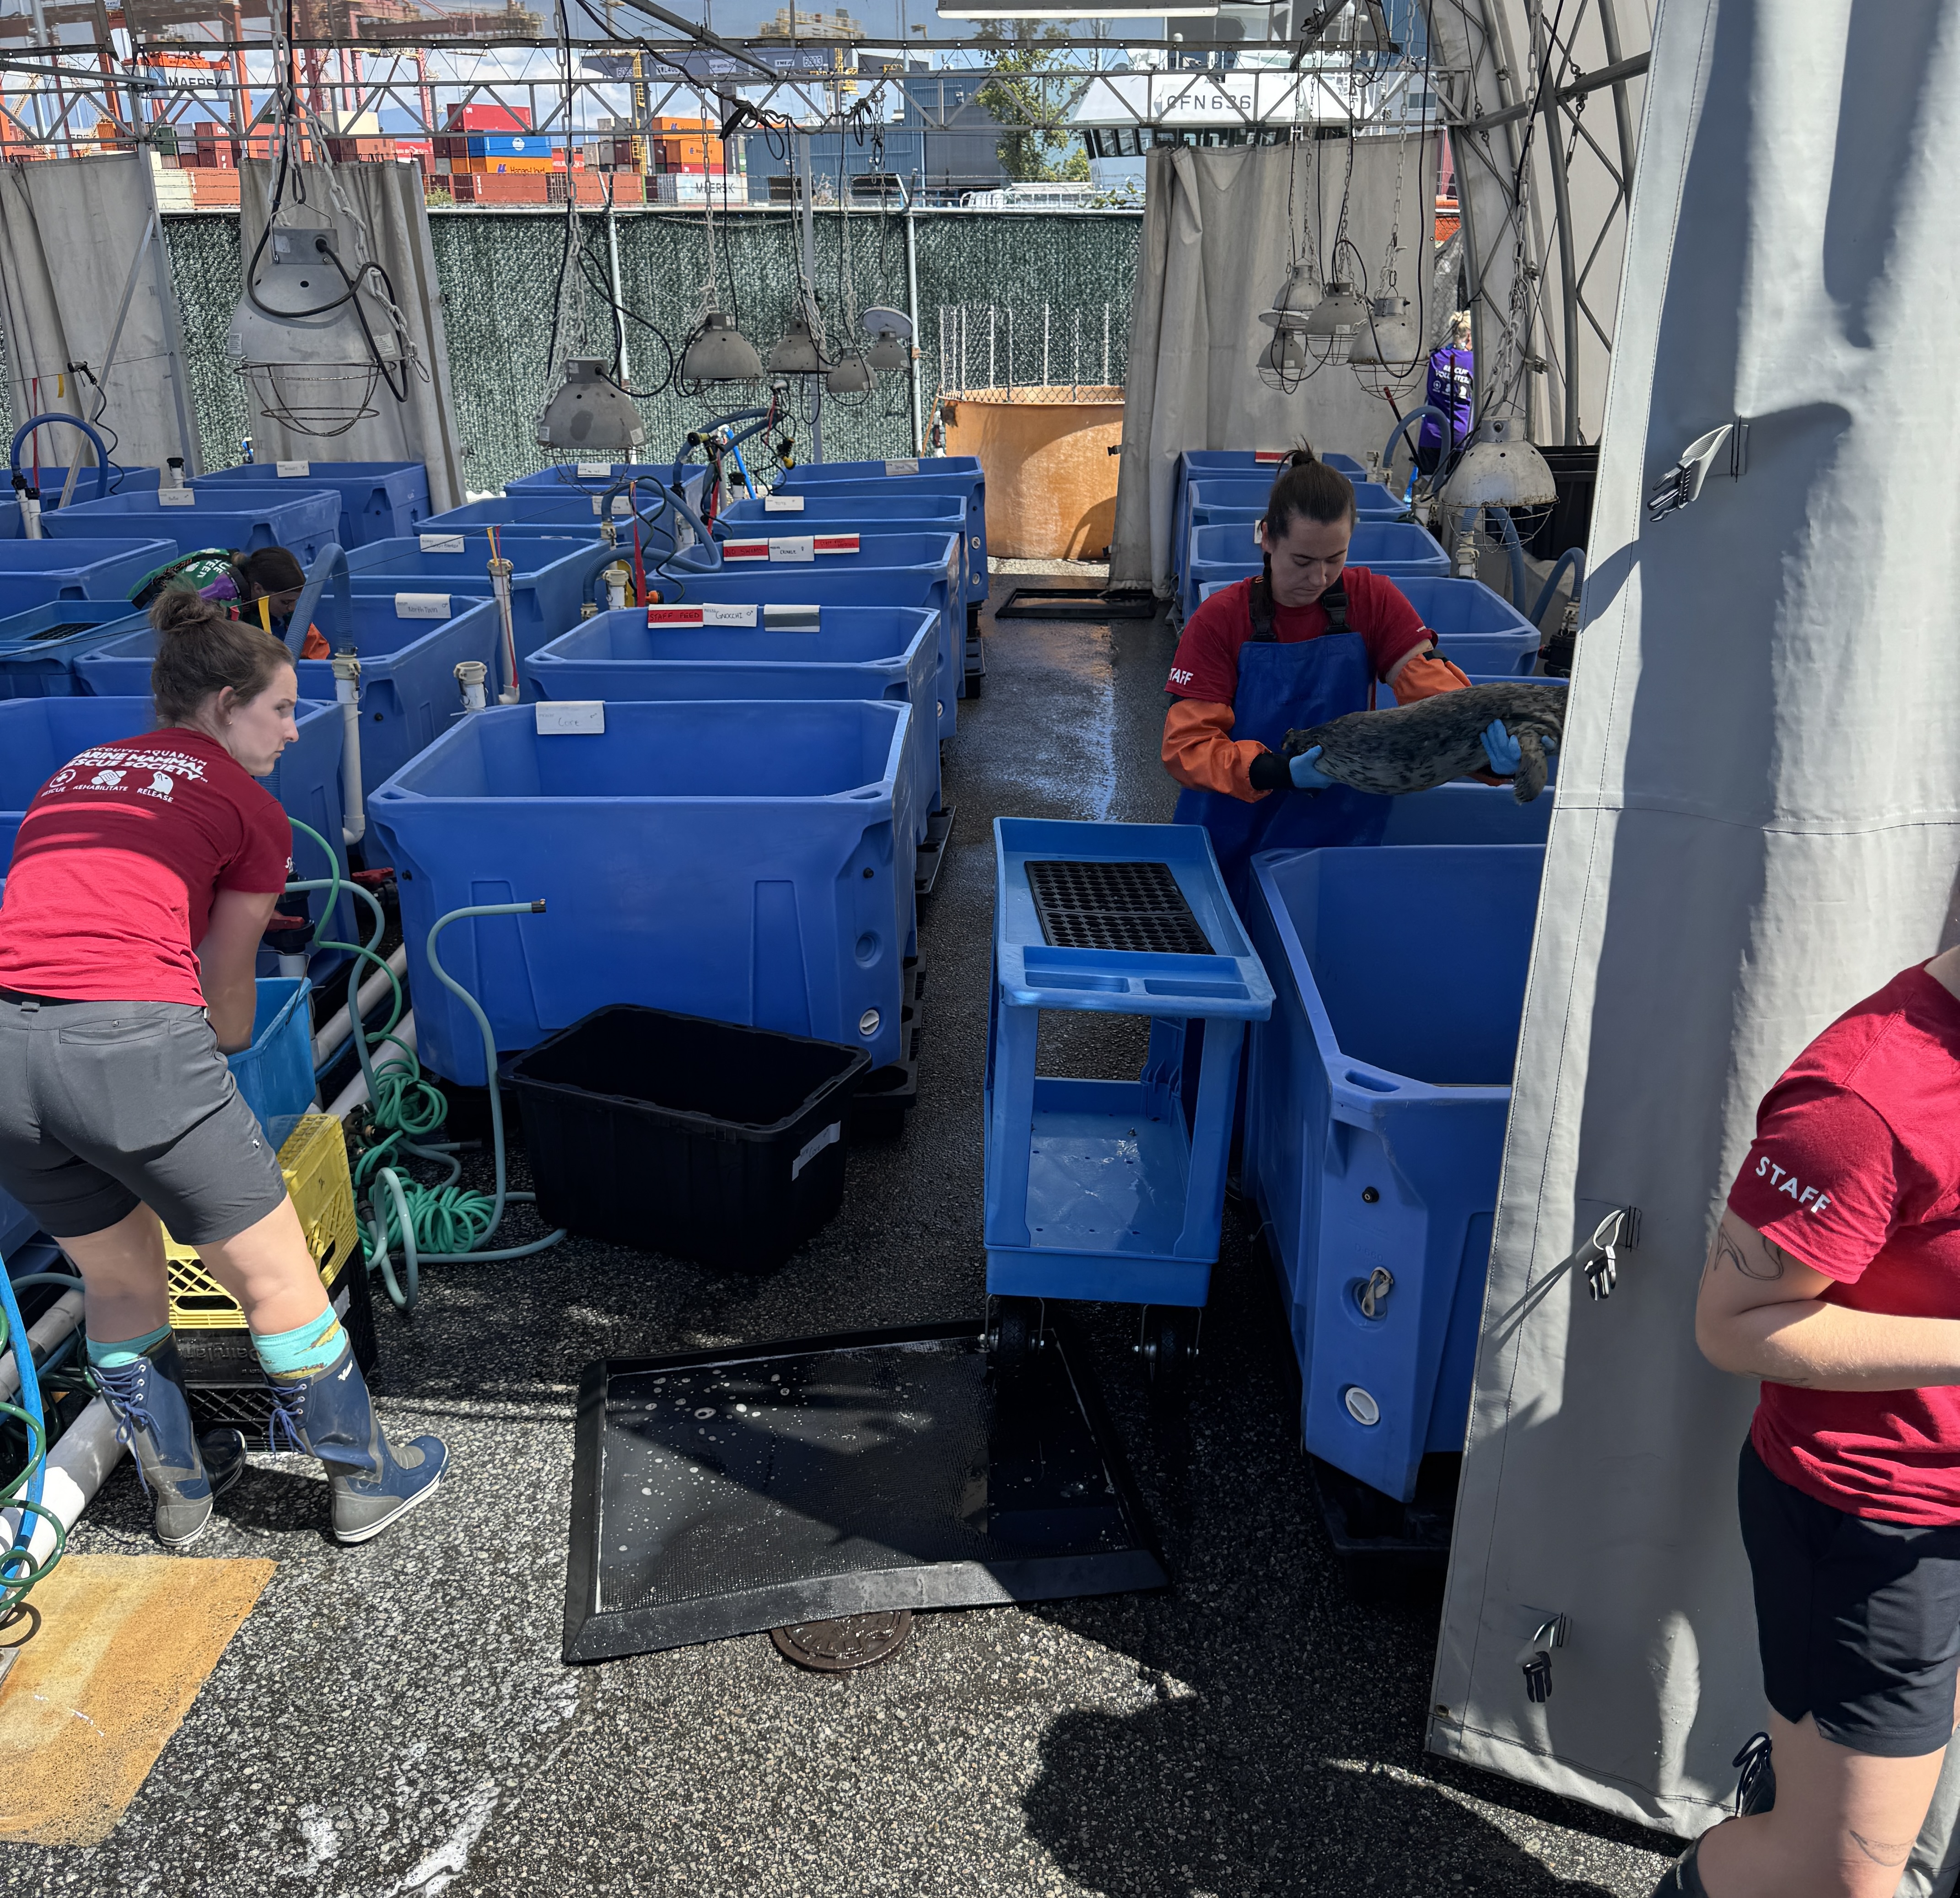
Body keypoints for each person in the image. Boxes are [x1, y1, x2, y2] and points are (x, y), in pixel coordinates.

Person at [0, 589, 443, 1549]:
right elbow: (231, 1004)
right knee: (278, 1277)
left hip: (5, 1060)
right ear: (222, 705)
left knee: (118, 1282)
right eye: (281, 708)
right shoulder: (246, 805)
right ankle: (366, 1480)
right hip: (133, 1050)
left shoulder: (80, 770)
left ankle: (182, 1494)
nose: (292, 730)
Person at [1672, 947, 1960, 1897]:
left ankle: (1805, 1787)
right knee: (1833, 1874)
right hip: (1877, 1514)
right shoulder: (1866, 1099)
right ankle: (1779, 1825)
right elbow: (1732, 1321)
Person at [1161, 447, 1521, 907]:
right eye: (1303, 561)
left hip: (1336, 837)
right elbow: (1186, 747)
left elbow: (1435, 696)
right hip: (1228, 836)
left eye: (1336, 558)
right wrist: (1278, 771)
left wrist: (1488, 752)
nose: (1320, 578)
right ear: (1267, 539)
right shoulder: (1218, 621)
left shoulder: (1374, 600)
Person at [205, 546, 330, 658]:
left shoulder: (277, 592)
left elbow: (314, 647)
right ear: (258, 589)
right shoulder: (224, 606)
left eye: (295, 601)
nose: (292, 608)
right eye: (286, 602)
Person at [1417, 312, 1475, 476]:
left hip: (1431, 436)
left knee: (1427, 489)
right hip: (1461, 439)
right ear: (1470, 337)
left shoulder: (1436, 357)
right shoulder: (1475, 362)